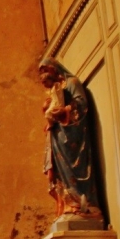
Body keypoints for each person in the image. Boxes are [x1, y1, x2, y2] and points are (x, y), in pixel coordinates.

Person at [39, 58, 103, 223]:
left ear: (54, 70)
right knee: (60, 172)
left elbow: (81, 104)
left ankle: (84, 205)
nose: (46, 83)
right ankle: (67, 207)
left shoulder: (72, 83)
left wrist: (65, 110)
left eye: (47, 78)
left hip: (72, 133)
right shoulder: (55, 90)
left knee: (75, 168)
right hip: (58, 134)